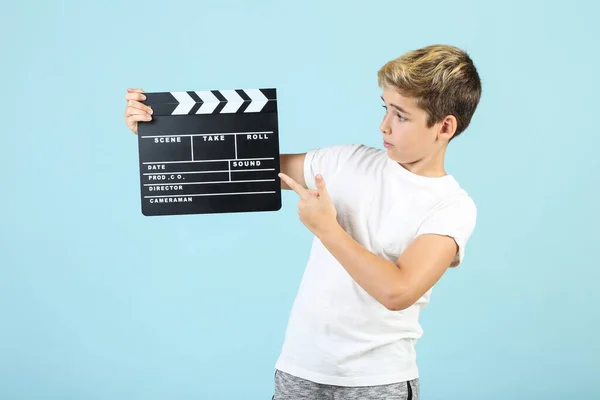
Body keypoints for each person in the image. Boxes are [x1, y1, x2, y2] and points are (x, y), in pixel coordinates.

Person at [124, 43, 482, 400]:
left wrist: (326, 228)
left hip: (376, 381)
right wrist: (159, 135)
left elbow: (397, 292)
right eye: (385, 109)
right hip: (300, 369)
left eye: (401, 116)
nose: (384, 125)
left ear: (444, 126)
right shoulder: (347, 162)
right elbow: (255, 167)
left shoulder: (450, 206)